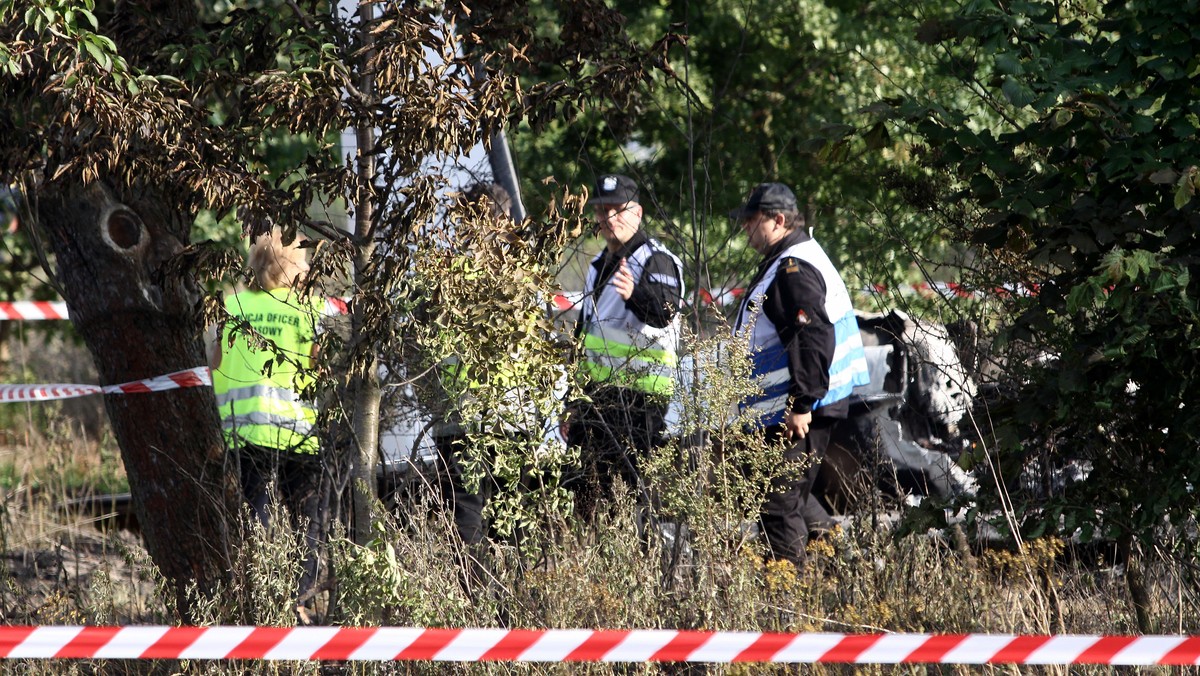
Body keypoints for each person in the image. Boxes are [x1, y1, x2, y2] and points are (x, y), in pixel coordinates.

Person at [730, 182, 869, 567]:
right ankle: (847, 568)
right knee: (790, 496)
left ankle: (788, 607)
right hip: (797, 404)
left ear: (778, 220)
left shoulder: (793, 268)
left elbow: (812, 335)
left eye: (751, 221)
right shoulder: (791, 257)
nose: (745, 229)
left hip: (798, 410)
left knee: (777, 507)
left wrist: (801, 403)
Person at [209, 228, 327, 622]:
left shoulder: (233, 306)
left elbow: (214, 366)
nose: (308, 267)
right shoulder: (309, 309)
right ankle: (300, 602)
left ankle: (254, 602)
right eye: (303, 260)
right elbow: (321, 367)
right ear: (292, 266)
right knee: (308, 521)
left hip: (244, 433)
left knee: (254, 521)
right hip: (298, 434)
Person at [567, 173, 684, 521]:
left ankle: (634, 565)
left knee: (626, 496)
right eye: (602, 211)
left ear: (638, 212)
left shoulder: (656, 259)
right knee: (584, 492)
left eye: (618, 209)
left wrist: (635, 295)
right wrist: (572, 402)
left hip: (639, 401)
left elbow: (665, 312)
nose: (609, 218)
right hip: (596, 398)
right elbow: (584, 334)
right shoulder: (597, 263)